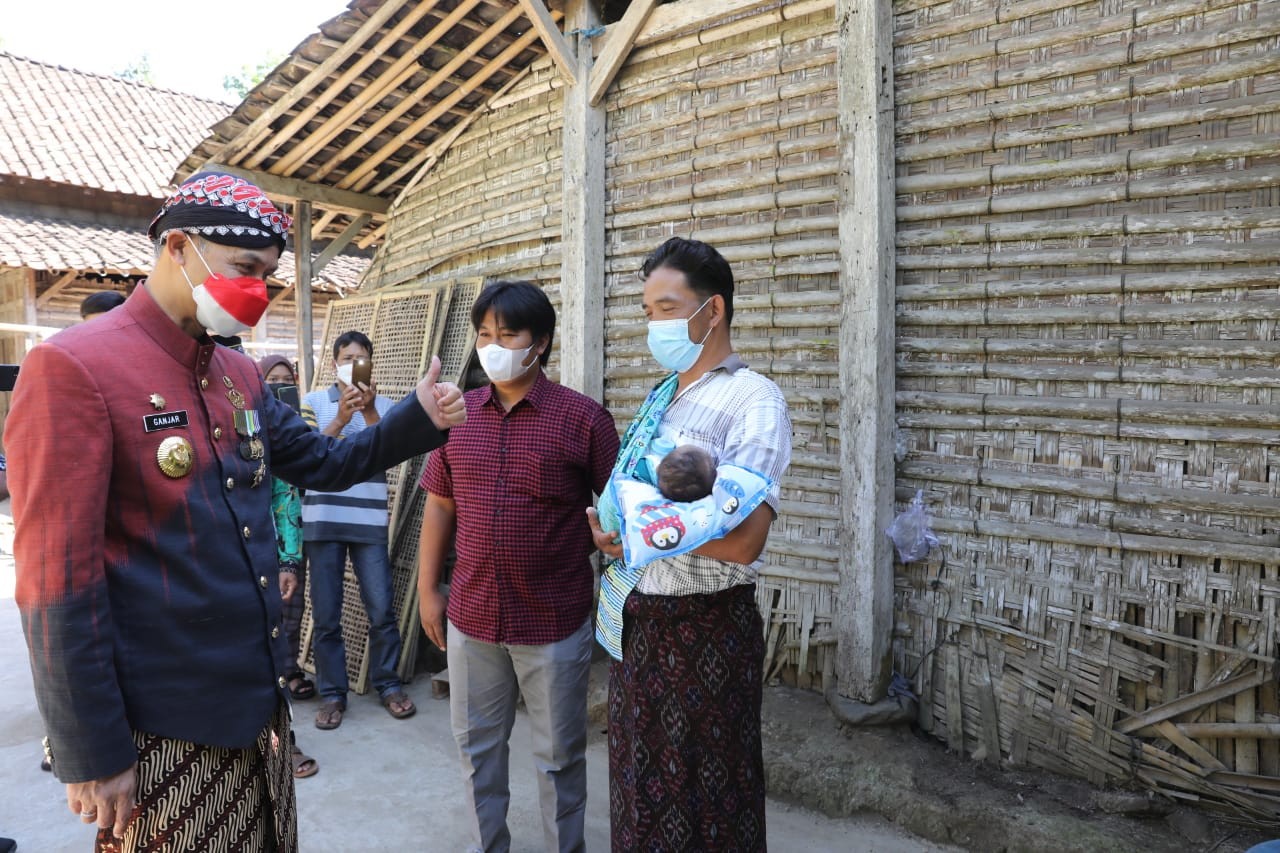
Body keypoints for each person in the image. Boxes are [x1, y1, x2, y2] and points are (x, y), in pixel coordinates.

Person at [8, 171, 465, 852]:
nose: (258, 289)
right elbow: (55, 584)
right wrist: (90, 751)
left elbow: (325, 463)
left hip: (256, 701)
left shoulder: (237, 374)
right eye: (244, 268)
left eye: (268, 274)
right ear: (179, 247)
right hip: (161, 723)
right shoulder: (76, 368)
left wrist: (415, 421)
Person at [586, 237, 792, 852]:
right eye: (648, 311)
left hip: (705, 632)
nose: (656, 324)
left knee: (709, 797)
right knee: (641, 792)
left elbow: (746, 540)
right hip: (640, 623)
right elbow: (643, 512)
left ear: (714, 311)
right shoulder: (661, 398)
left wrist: (651, 533)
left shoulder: (753, 399)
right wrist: (620, 536)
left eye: (668, 307)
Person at [418, 280, 620, 853]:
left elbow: (618, 510)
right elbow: (440, 501)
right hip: (473, 616)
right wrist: (429, 588)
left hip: (553, 620)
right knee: (476, 750)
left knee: (559, 757)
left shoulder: (583, 421)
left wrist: (615, 539)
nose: (493, 345)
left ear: (541, 343)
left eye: (508, 334)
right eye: (485, 334)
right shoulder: (458, 416)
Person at [302, 331, 414, 730]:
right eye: (346, 357)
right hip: (324, 520)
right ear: (334, 364)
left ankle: (388, 683)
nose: (353, 364)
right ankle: (333, 694)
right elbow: (308, 455)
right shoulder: (313, 402)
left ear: (370, 363)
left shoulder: (384, 407)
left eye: (361, 358)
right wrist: (342, 418)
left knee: (382, 609)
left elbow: (391, 451)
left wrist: (367, 414)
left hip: (368, 521)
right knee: (327, 613)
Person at [259, 354, 314, 703]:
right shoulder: (245, 421)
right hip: (250, 540)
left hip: (288, 535)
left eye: (284, 378)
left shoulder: (299, 417)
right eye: (270, 379)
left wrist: (290, 558)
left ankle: (290, 669)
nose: (278, 385)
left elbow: (291, 489)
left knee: (291, 610)